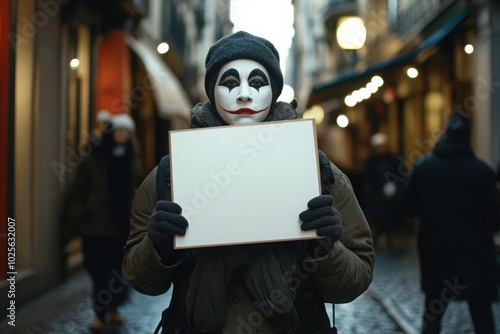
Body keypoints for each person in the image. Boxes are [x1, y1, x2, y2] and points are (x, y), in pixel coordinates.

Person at [122, 31, 374, 333]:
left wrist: (324, 250)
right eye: (229, 83)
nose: (243, 94)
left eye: (257, 83)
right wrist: (158, 247)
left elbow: (354, 280)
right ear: (212, 90)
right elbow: (138, 278)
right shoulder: (169, 175)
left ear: (274, 91)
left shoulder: (318, 173)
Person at [399, 114, 500, 334]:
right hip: (476, 257)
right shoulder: (482, 172)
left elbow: (406, 207)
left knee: (433, 317)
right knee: (482, 317)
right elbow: (494, 220)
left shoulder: (424, 168)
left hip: (437, 254)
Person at [66, 113, 144, 330]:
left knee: (117, 271)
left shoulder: (132, 161)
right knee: (97, 270)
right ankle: (99, 313)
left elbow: (140, 191)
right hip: (95, 227)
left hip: (122, 227)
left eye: (126, 132)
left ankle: (113, 308)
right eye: (119, 131)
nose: (122, 135)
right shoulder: (93, 160)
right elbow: (76, 193)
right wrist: (82, 214)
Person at [362, 133, 401, 250]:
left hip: (390, 197)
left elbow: (399, 175)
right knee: (377, 220)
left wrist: (394, 187)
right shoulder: (370, 161)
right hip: (376, 196)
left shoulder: (393, 160)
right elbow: (366, 178)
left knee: (389, 219)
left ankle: (390, 240)